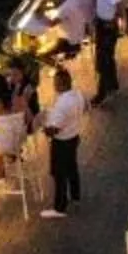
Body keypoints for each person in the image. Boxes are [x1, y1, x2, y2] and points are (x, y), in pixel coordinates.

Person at [38, 66, 88, 216]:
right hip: (74, 137)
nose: (53, 85)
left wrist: (43, 127)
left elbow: (54, 129)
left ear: (60, 84)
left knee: (59, 173)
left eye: (55, 82)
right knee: (72, 167)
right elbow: (86, 107)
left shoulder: (62, 104)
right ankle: (75, 195)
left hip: (62, 142)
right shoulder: (78, 95)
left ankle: (60, 207)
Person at [91, 0, 125, 106]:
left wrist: (116, 21)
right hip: (101, 24)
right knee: (106, 58)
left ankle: (102, 93)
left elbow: (119, 7)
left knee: (104, 60)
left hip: (108, 27)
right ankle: (113, 85)